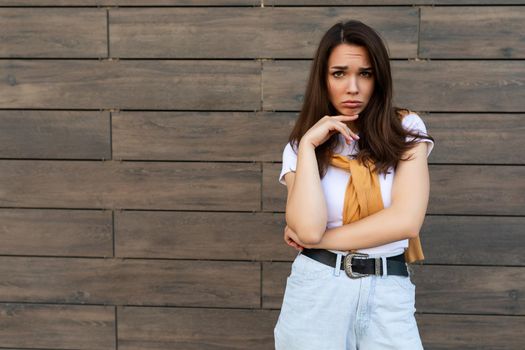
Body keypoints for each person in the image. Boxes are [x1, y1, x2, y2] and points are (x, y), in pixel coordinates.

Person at [273, 20, 435, 350]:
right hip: (317, 292)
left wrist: (319, 240)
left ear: (379, 78)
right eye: (339, 73)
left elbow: (406, 221)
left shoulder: (405, 129)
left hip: (387, 290)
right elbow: (307, 226)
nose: (353, 87)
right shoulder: (300, 149)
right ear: (323, 78)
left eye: (365, 73)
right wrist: (307, 146)